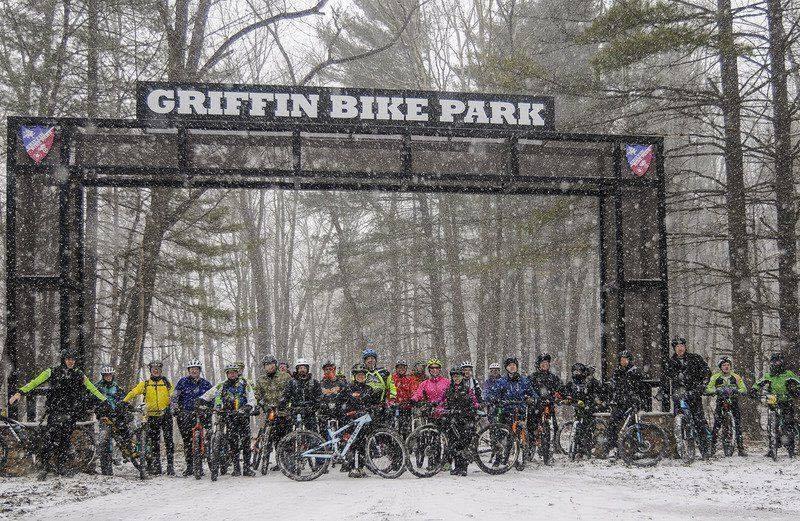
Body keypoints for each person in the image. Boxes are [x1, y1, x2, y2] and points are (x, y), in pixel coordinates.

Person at [9, 349, 108, 479]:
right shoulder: (52, 371)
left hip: (71, 412)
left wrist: (104, 400)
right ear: (64, 359)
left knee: (65, 440)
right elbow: (35, 382)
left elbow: (92, 388)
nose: (70, 361)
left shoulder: (79, 374)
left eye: (73, 359)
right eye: (68, 359)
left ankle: (61, 467)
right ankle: (45, 467)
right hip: (55, 411)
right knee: (50, 439)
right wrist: (20, 393)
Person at [199, 363, 257, 476]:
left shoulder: (244, 384)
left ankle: (246, 468)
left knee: (245, 442)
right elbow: (209, 394)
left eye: (234, 372)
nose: (232, 374)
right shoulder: (222, 385)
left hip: (242, 416)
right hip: (229, 416)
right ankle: (236, 468)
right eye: (229, 373)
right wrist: (201, 400)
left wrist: (248, 407)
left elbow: (252, 398)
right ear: (227, 374)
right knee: (233, 442)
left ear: (237, 373)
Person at [122, 360, 174, 475]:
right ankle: (157, 466)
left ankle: (170, 466)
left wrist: (174, 406)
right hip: (151, 416)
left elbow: (174, 396)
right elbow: (133, 392)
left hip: (165, 415)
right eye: (153, 369)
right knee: (154, 442)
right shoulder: (145, 384)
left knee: (169, 441)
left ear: (161, 370)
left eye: (158, 369)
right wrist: (124, 401)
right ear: (150, 371)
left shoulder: (167, 383)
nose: (155, 370)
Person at [665, 337, 712, 457]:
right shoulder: (670, 362)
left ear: (685, 347)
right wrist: (663, 390)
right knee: (679, 422)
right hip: (678, 396)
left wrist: (702, 385)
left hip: (694, 394)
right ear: (674, 349)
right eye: (677, 347)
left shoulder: (695, 358)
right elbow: (665, 378)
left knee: (699, 421)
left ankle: (705, 450)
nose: (680, 348)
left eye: (682, 346)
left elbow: (706, 372)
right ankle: (680, 450)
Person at [750, 352, 800, 458]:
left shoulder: (788, 374)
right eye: (774, 361)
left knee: (788, 423)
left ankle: (790, 449)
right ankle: (773, 447)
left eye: (779, 361)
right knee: (772, 425)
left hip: (786, 399)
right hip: (773, 400)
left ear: (782, 362)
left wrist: (796, 391)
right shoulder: (768, 375)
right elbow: (758, 383)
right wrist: (754, 390)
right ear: (771, 363)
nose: (777, 363)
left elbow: (798, 382)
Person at [337, 363, 381, 478]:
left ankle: (361, 467)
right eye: (358, 375)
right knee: (352, 444)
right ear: (354, 376)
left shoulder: (369, 389)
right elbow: (340, 403)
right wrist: (347, 411)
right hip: (351, 420)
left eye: (362, 375)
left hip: (365, 421)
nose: (360, 377)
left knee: (363, 444)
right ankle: (351, 467)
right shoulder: (348, 388)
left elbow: (374, 403)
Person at [171, 359, 212, 476]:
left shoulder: (206, 384)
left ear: (199, 370)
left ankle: (203, 460)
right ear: (189, 370)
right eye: (192, 369)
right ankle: (190, 466)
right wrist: (175, 408)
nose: (194, 370)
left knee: (205, 437)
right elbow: (174, 397)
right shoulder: (182, 382)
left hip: (202, 414)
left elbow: (213, 397)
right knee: (187, 441)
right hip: (185, 414)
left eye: (196, 369)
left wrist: (211, 408)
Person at [602, 351, 644, 458]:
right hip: (620, 403)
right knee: (613, 424)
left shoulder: (635, 372)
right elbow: (613, 386)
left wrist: (637, 400)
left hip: (631, 403)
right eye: (621, 359)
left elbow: (640, 388)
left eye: (625, 359)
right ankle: (613, 448)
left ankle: (635, 449)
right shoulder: (617, 372)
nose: (623, 361)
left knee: (634, 425)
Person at [254, 354, 292, 471]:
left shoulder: (285, 377)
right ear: (264, 367)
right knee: (273, 438)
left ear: (275, 365)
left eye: (271, 364)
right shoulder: (261, 380)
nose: (269, 367)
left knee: (287, 438)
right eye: (267, 365)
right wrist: (262, 404)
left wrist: (286, 403)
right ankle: (279, 462)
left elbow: (291, 392)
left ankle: (289, 462)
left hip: (284, 413)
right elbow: (257, 394)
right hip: (270, 413)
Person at [705, 356, 747, 457]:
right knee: (717, 424)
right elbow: (708, 389)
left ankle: (741, 448)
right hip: (721, 401)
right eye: (724, 365)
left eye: (728, 365)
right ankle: (713, 447)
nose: (726, 367)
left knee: (737, 424)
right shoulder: (715, 377)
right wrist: (716, 391)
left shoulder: (736, 377)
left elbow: (744, 389)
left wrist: (736, 390)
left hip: (733, 401)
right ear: (720, 367)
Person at [562, 362, 604, 459]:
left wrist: (593, 403)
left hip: (588, 408)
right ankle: (579, 449)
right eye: (575, 371)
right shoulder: (574, 383)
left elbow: (594, 394)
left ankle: (584, 449)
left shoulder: (590, 383)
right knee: (580, 428)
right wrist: (567, 399)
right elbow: (566, 392)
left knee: (585, 428)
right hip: (580, 408)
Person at [443, 367, 479, 476]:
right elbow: (443, 401)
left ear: (462, 377)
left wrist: (474, 408)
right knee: (454, 444)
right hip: (453, 419)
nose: (456, 378)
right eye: (454, 376)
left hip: (465, 419)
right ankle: (457, 467)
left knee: (464, 443)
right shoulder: (449, 389)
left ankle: (464, 467)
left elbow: (475, 402)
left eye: (458, 376)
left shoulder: (467, 389)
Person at [529, 353, 563, 462]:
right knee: (532, 425)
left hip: (549, 405)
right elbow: (529, 389)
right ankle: (530, 446)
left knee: (552, 426)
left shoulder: (553, 377)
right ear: (538, 365)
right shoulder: (533, 377)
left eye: (547, 363)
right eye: (542, 363)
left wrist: (558, 396)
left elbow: (560, 388)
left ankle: (549, 449)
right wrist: (534, 398)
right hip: (536, 406)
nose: (545, 365)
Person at [95, 365, 126, 476]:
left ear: (112, 375)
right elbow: (91, 399)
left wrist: (124, 408)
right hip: (104, 417)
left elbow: (123, 400)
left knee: (123, 437)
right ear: (103, 376)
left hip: (116, 416)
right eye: (106, 375)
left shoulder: (117, 387)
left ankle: (123, 457)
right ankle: (106, 469)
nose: (108, 377)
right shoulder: (97, 387)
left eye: (110, 375)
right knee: (105, 443)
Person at [279, 358, 322, 431]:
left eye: (304, 368)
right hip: (295, 412)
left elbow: (319, 397)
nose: (302, 370)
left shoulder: (314, 383)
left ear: (307, 369)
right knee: (290, 434)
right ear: (297, 369)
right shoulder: (291, 383)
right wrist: (282, 405)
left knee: (313, 435)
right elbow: (285, 396)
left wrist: (314, 407)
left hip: (310, 412)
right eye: (300, 368)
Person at [391, 360, 422, 439]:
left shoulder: (409, 379)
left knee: (406, 428)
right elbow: (389, 390)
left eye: (403, 367)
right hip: (394, 407)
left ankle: (406, 443)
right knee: (393, 428)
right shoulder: (392, 378)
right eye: (399, 367)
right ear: (396, 369)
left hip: (406, 407)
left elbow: (413, 391)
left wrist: (413, 400)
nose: (401, 369)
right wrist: (391, 402)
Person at [362, 347, 397, 413]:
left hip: (382, 405)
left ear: (375, 360)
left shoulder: (384, 372)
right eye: (368, 359)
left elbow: (392, 386)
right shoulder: (361, 373)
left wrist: (392, 399)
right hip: (366, 406)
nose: (370, 360)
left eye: (372, 358)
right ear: (364, 361)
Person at [319, 361, 348, 433]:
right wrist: (321, 403)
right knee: (323, 431)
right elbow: (317, 396)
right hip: (325, 411)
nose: (328, 371)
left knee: (343, 430)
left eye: (330, 369)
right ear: (324, 371)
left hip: (338, 411)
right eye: (326, 369)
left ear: (334, 370)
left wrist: (343, 402)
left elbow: (346, 394)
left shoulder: (341, 382)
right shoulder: (320, 383)